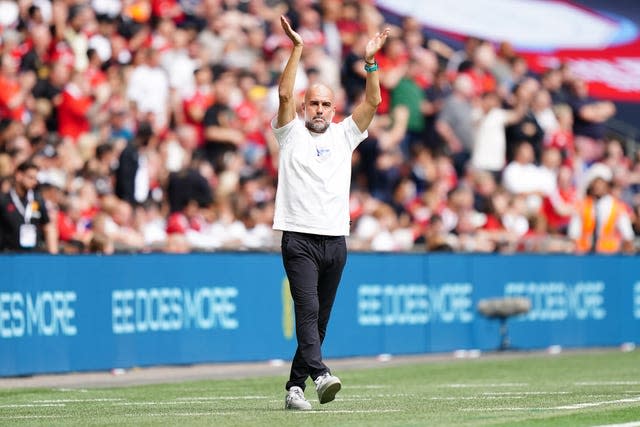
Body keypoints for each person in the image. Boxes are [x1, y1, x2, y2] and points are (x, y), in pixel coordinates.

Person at [272, 15, 389, 411]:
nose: (319, 110)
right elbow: (284, 95)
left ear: (333, 108)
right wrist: (297, 50)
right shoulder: (291, 133)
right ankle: (320, 374)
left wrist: (370, 63)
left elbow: (372, 101)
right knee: (307, 311)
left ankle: (293, 388)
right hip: (300, 237)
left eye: (325, 104)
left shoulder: (344, 134)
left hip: (336, 238)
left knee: (318, 322)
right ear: (306, 107)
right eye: (314, 103)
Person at [568, 163, 635, 254]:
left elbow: (628, 235)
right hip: (584, 254)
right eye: (595, 183)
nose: (598, 186)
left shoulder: (617, 207)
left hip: (610, 255)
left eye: (601, 182)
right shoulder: (582, 206)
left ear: (607, 184)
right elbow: (573, 234)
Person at [0, 160, 58, 253]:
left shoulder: (38, 200)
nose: (34, 182)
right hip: (9, 255)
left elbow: (48, 226)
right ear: (19, 175)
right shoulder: (4, 200)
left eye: (36, 179)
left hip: (33, 255)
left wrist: (53, 255)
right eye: (31, 178)